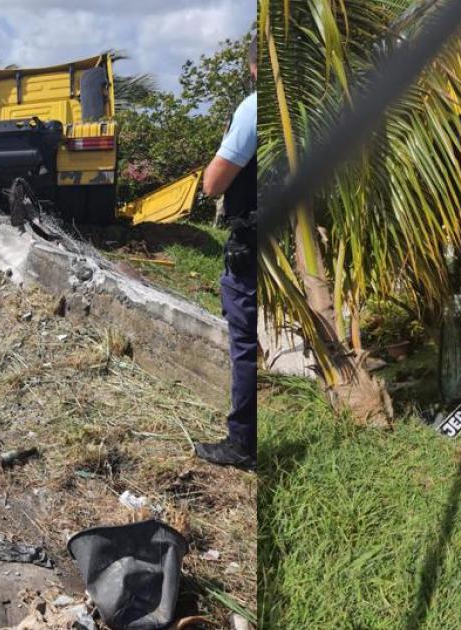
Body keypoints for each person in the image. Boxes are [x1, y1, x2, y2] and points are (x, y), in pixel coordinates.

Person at [193, 39, 259, 471]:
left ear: (255, 68)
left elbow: (214, 183)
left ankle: (242, 444)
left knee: (244, 343)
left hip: (251, 242)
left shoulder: (254, 108)